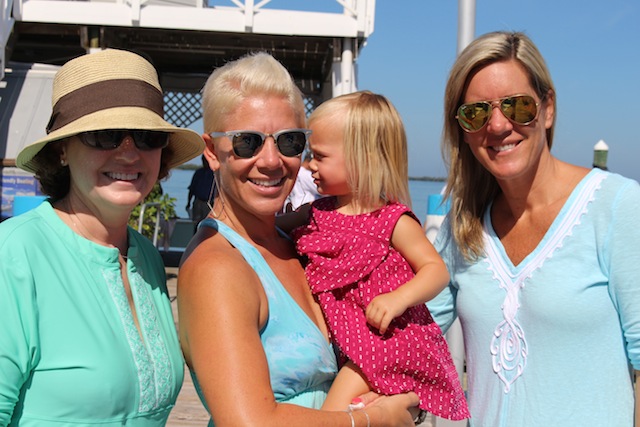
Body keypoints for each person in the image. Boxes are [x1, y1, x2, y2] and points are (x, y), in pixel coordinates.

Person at [177, 52, 420, 427]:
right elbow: (249, 423)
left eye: (289, 141)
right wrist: (374, 419)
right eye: (247, 142)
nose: (271, 160)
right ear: (212, 151)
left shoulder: (295, 242)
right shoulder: (217, 267)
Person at [428, 30, 640, 426]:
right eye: (475, 113)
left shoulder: (617, 206)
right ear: (462, 129)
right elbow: (414, 339)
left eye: (517, 106)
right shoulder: (462, 225)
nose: (497, 125)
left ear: (548, 109)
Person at [0, 48, 204, 425]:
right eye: (105, 135)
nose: (128, 153)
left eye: (146, 137)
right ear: (62, 150)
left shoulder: (146, 257)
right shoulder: (14, 254)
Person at [290, 90, 469, 421]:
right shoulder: (316, 212)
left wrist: (399, 298)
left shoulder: (392, 220)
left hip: (385, 341)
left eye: (319, 156)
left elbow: (436, 270)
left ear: (364, 159)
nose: (309, 165)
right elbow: (270, 230)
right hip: (350, 341)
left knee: (330, 417)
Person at [186, 154, 215, 225]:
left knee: (208, 224)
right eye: (203, 160)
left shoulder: (215, 173)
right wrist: (188, 202)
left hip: (210, 203)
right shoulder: (198, 172)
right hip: (198, 202)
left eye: (206, 160)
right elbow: (192, 189)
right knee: (196, 223)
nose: (204, 162)